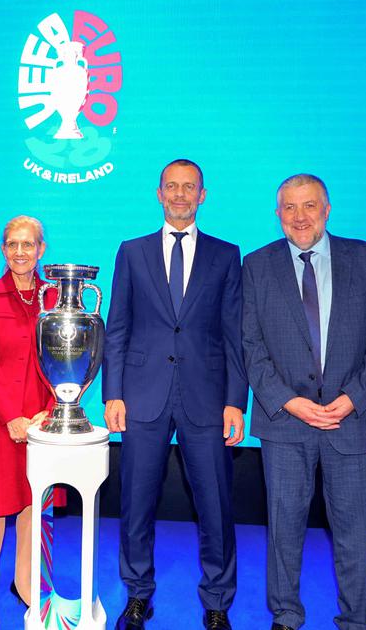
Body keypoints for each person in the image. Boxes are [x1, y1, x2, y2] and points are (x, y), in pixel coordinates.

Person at [242, 173, 366, 630]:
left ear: (327, 209)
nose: (300, 216)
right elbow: (250, 345)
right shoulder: (257, 265)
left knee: (352, 530)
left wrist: (352, 398)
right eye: (289, 207)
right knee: (283, 529)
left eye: (309, 205)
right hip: (285, 422)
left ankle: (355, 619)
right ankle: (286, 615)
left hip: (351, 421)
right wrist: (288, 401)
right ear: (277, 215)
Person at [103, 159, 247, 630]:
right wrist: (113, 392)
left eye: (190, 187)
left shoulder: (227, 255)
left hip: (207, 398)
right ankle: (139, 594)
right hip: (141, 396)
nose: (180, 195)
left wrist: (235, 399)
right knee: (135, 504)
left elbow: (234, 335)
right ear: (158, 193)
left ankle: (217, 601)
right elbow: (118, 326)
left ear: (203, 194)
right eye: (172, 187)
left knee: (216, 506)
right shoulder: (132, 251)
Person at [0, 215, 60, 630]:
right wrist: (12, 417)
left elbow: (61, 361)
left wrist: (48, 411)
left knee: (31, 506)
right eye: (12, 244)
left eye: (28, 244)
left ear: (42, 250)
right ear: (3, 250)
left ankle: (26, 585)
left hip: (43, 420)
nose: (20, 252)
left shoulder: (57, 297)